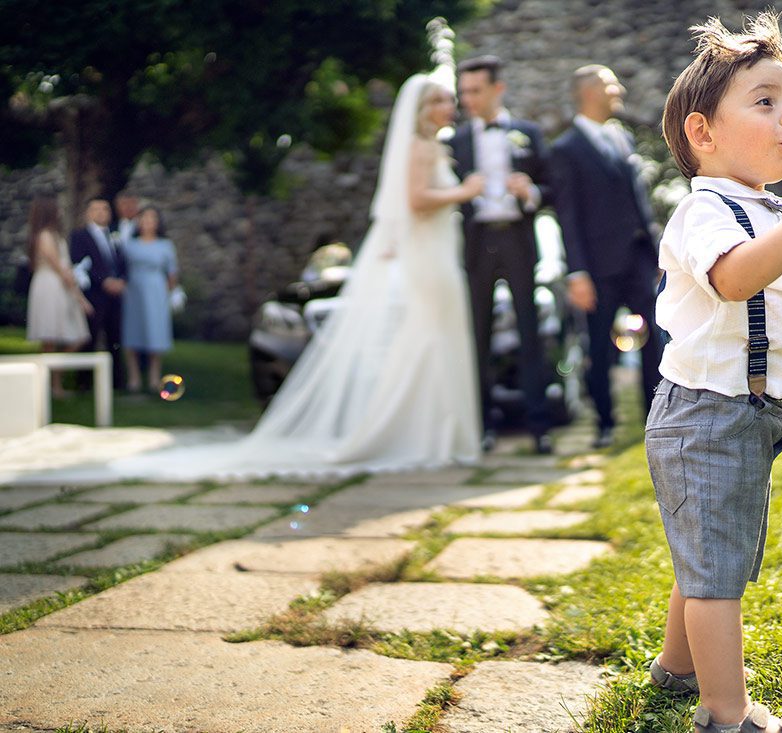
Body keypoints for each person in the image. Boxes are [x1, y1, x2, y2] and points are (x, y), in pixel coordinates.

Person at [94, 68, 483, 480]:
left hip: (436, 254)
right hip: (429, 260)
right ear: (422, 109)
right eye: (440, 99)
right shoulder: (419, 148)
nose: (450, 106)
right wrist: (466, 191)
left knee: (433, 343)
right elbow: (416, 199)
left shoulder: (429, 146)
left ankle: (436, 433)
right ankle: (421, 434)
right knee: (427, 342)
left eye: (449, 99)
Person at [644, 14, 782, 733]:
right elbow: (738, 282)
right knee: (715, 568)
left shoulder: (763, 209)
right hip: (703, 413)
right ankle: (727, 711)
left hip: (748, 411)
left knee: (713, 547)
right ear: (703, 133)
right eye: (764, 101)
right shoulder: (703, 211)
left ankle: (677, 668)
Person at [550, 64, 663, 449]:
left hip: (638, 256)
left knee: (656, 336)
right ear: (588, 92)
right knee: (599, 346)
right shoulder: (565, 149)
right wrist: (577, 273)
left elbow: (635, 198)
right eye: (610, 83)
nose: (618, 89)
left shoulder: (621, 137)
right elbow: (568, 215)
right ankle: (604, 423)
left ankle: (656, 418)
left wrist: (656, 246)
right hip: (597, 265)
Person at [451, 55, 554, 455]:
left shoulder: (527, 133)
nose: (468, 100)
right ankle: (483, 426)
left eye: (475, 91)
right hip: (476, 241)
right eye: (464, 93)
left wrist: (529, 191)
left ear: (498, 89)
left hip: (517, 238)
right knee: (479, 335)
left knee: (530, 334)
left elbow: (550, 188)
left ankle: (539, 427)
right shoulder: (456, 140)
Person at [25, 196, 92, 397]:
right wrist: (81, 299)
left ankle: (54, 382)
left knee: (76, 336)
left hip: (59, 287)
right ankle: (48, 386)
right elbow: (59, 267)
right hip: (49, 287)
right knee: (50, 338)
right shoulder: (45, 236)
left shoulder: (54, 235)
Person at [69, 197, 127, 389]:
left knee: (115, 338)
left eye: (105, 209)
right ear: (88, 213)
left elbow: (121, 262)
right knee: (90, 338)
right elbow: (80, 264)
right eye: (96, 209)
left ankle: (116, 382)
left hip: (114, 297)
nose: (101, 213)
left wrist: (122, 281)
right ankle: (84, 382)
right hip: (94, 295)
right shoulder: (80, 236)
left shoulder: (114, 236)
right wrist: (104, 281)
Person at [119, 206, 178, 393]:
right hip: (134, 291)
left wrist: (168, 293)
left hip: (156, 291)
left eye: (152, 218)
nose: (148, 222)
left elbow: (172, 273)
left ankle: (154, 377)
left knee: (155, 331)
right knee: (133, 331)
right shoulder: (130, 244)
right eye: (144, 218)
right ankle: (134, 377)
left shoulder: (165, 245)